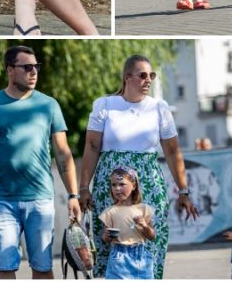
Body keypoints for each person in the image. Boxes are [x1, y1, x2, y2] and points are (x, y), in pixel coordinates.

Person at [78, 54, 200, 278]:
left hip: (149, 187)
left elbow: (173, 152)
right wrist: (83, 188)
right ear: (127, 78)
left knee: (148, 239)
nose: (148, 80)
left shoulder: (159, 108)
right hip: (110, 187)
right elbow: (92, 147)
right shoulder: (105, 105)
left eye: (151, 75)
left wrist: (183, 191)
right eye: (143, 75)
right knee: (110, 241)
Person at [0, 45, 82, 278]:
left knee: (42, 268)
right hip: (2, 201)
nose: (34, 72)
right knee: (4, 268)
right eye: (27, 67)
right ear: (10, 70)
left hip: (40, 199)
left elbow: (63, 153)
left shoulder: (48, 105)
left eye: (36, 67)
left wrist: (73, 195)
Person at [100, 167, 156, 279]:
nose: (117, 188)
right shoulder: (110, 212)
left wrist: (145, 226)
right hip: (118, 257)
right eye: (114, 185)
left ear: (134, 186)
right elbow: (105, 239)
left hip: (141, 256)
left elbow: (152, 236)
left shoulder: (143, 209)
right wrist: (106, 236)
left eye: (121, 184)